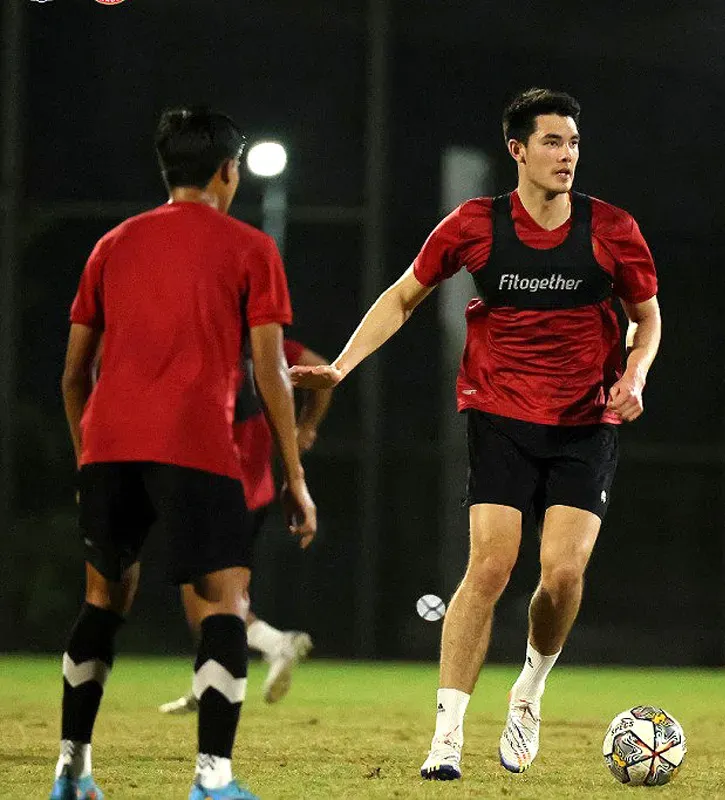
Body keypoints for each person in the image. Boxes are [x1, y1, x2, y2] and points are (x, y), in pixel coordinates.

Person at [291, 88, 661, 780]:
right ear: (517, 150)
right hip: (500, 413)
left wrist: (636, 373)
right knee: (489, 567)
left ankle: (529, 688)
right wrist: (341, 366)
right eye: (552, 142)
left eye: (574, 143)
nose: (567, 155)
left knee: (562, 573)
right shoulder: (474, 225)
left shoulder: (612, 228)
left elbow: (649, 315)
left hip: (587, 419)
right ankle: (447, 739)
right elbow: (404, 294)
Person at [55, 106, 317, 800]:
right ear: (229, 171)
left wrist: (88, 455)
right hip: (196, 446)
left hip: (108, 445)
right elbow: (273, 374)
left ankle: (72, 774)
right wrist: (293, 474)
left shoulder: (112, 243)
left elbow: (74, 374)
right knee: (224, 603)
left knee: (102, 599)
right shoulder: (251, 248)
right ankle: (213, 780)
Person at [159, 338, 333, 714]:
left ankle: (275, 645)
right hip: (254, 482)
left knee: (207, 597)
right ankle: (207, 682)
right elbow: (324, 372)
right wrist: (305, 429)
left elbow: (322, 374)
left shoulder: (219, 344)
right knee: (211, 590)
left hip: (216, 479)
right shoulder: (269, 343)